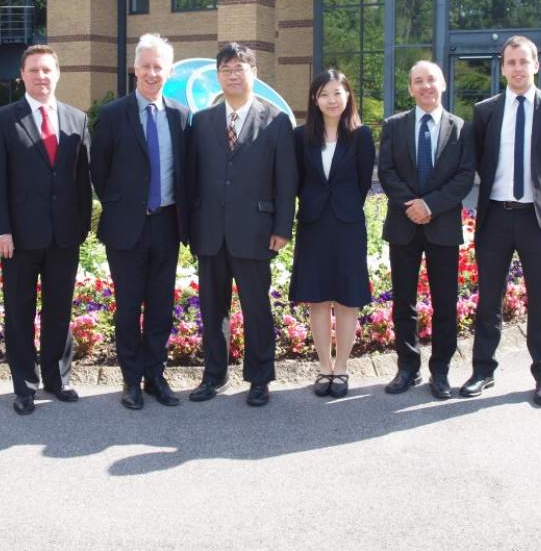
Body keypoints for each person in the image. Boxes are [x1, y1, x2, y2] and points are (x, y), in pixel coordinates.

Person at [462, 36, 541, 407]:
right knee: (488, 300)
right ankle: (483, 370)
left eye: (523, 61)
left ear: (535, 65)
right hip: (496, 216)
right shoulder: (485, 111)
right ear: (502, 67)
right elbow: (480, 159)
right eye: (510, 62)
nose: (516, 68)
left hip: (538, 219)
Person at [0, 45, 93, 415]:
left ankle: (58, 379)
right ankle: (24, 386)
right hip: (19, 238)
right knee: (20, 311)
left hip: (64, 237)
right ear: (22, 76)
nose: (41, 76)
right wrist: (0, 231)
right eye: (33, 70)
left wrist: (81, 227)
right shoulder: (1, 119)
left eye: (47, 70)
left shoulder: (77, 119)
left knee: (60, 309)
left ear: (58, 73)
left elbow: (81, 180)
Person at [186, 43, 297, 407]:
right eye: (226, 68)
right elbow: (192, 178)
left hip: (256, 231)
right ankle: (213, 375)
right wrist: (188, 227)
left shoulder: (276, 120)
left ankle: (260, 378)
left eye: (240, 68)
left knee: (256, 309)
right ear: (218, 75)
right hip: (210, 232)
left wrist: (282, 227)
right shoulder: (201, 121)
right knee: (212, 308)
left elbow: (286, 180)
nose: (233, 74)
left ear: (254, 73)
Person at [90, 34, 189, 410]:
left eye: (158, 67)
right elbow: (99, 169)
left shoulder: (180, 115)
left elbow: (185, 170)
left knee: (161, 306)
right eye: (145, 66)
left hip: (166, 224)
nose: (151, 73)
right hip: (126, 227)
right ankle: (131, 380)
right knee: (129, 307)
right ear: (134, 68)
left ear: (169, 71)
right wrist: (123, 204)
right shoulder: (114, 114)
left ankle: (156, 376)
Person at [378, 60, 474, 400]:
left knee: (445, 302)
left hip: (443, 226)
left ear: (443, 84)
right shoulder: (394, 126)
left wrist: (430, 205)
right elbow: (386, 172)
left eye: (431, 80)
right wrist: (413, 205)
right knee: (404, 301)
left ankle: (441, 370)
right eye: (417, 81)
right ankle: (408, 367)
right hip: (403, 225)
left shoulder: (461, 128)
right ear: (410, 88)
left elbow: (464, 176)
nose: (425, 86)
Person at [289, 70, 375, 398]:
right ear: (315, 99)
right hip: (313, 224)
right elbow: (296, 179)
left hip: (348, 225)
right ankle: (324, 367)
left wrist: (344, 205)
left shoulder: (361, 136)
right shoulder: (301, 137)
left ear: (348, 96)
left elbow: (363, 181)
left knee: (346, 298)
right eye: (325, 94)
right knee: (319, 298)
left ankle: (342, 368)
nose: (332, 100)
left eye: (337, 93)